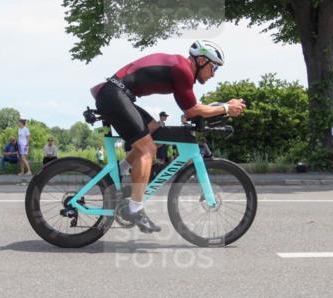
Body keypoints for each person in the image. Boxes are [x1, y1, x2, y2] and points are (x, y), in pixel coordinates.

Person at [90, 40, 245, 233]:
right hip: (114, 95)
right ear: (202, 60)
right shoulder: (183, 70)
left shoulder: (182, 69)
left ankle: (119, 172)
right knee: (147, 149)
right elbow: (192, 111)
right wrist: (226, 108)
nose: (213, 74)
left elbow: (193, 108)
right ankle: (135, 209)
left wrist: (224, 105)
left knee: (154, 129)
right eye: (214, 68)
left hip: (118, 94)